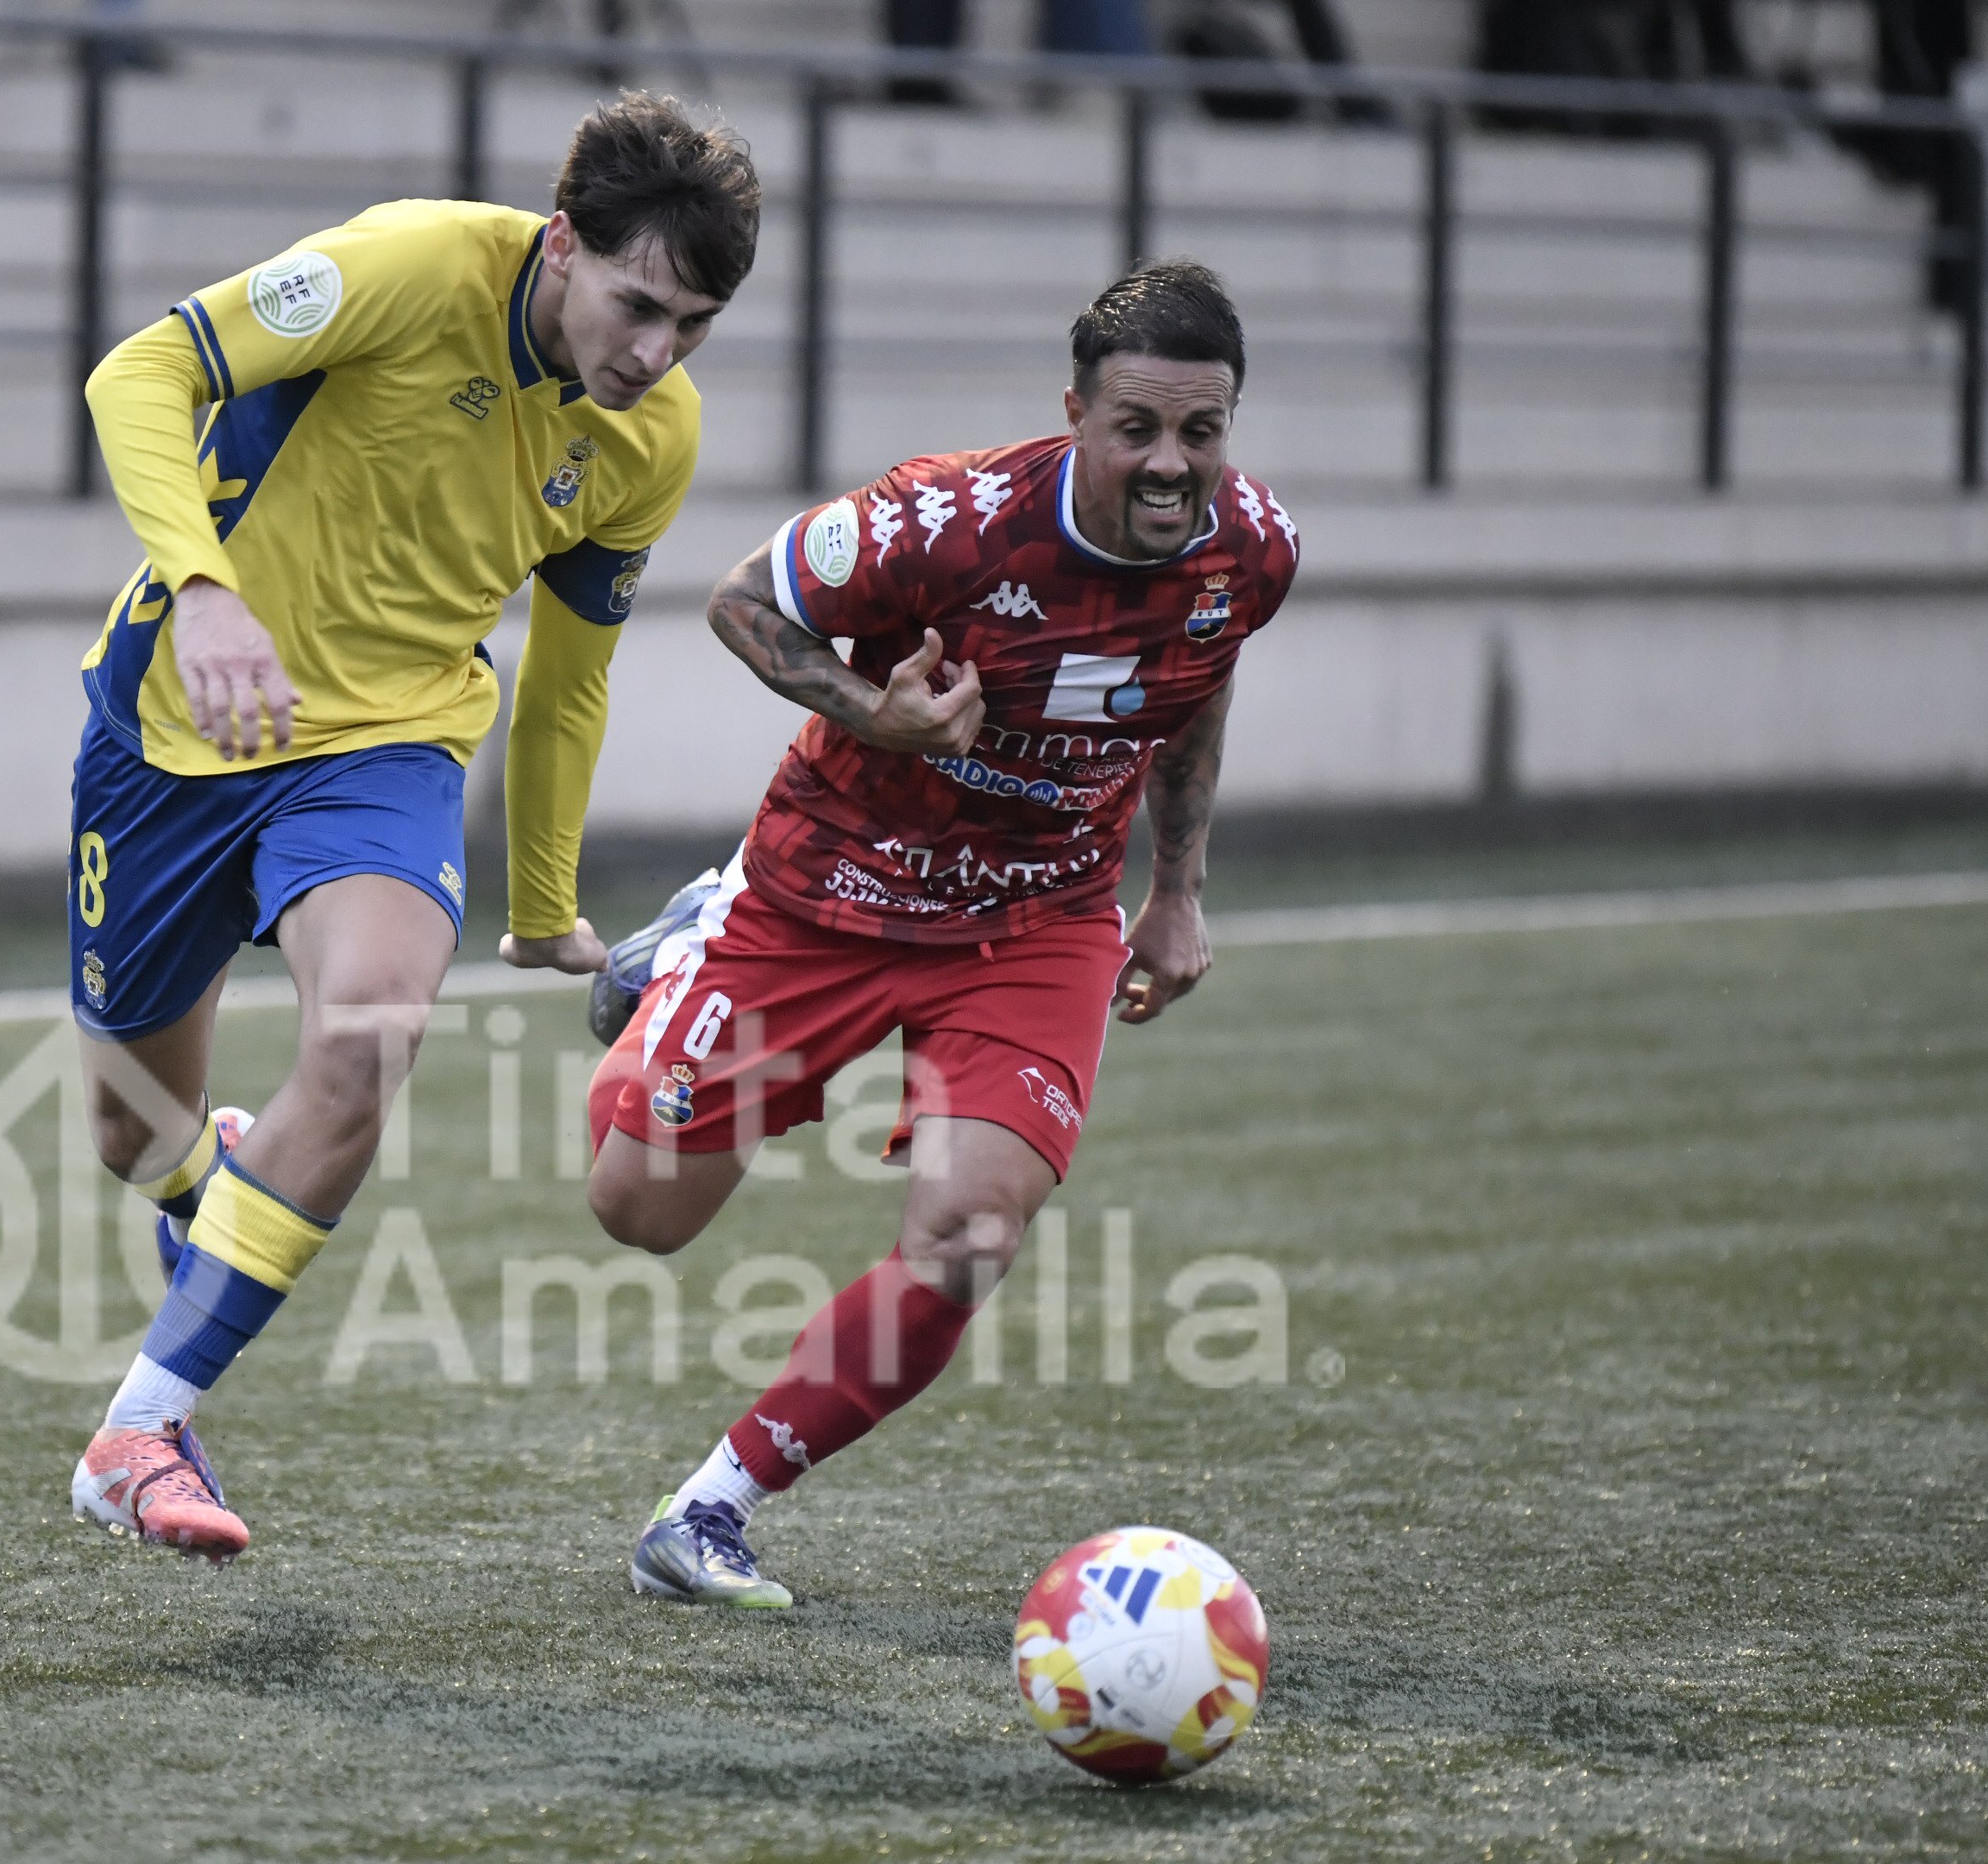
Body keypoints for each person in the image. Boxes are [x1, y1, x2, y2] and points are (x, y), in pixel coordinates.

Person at [64, 95, 763, 1564]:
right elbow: (138, 374)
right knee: (132, 1134)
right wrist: (205, 591)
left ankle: (140, 1432)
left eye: (694, 326)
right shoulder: (409, 266)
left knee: (373, 1030)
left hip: (389, 748)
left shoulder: (653, 435)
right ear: (561, 245)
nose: (656, 355)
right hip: (179, 729)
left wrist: (542, 904)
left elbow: (569, 678)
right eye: (639, 306)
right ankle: (210, 1178)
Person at [582, 261, 1297, 1607]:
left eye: (1201, 431)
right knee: (640, 1211)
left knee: (970, 1234)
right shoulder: (946, 520)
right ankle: (686, 949)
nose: (1170, 463)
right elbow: (742, 601)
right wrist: (881, 716)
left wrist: (1177, 887)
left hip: (1039, 913)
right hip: (830, 887)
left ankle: (711, 1510)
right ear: (1075, 414)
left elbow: (1200, 677)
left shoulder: (1253, 549)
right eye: (1137, 428)